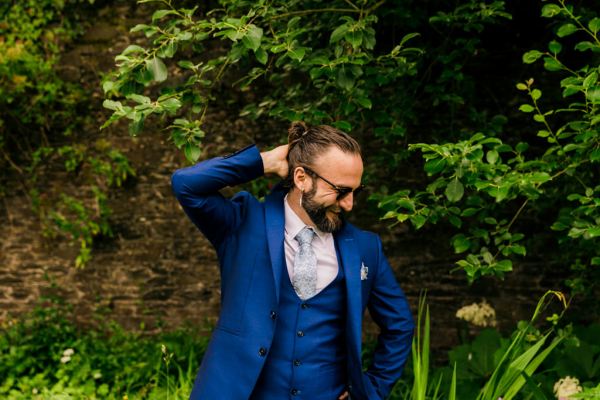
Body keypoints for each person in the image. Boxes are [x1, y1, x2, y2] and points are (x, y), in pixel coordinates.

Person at [171, 121, 414, 400]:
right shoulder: (242, 223)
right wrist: (263, 162)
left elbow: (400, 326)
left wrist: (369, 391)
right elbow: (186, 184)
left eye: (355, 192)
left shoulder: (365, 247)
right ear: (301, 178)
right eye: (341, 190)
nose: (349, 204)